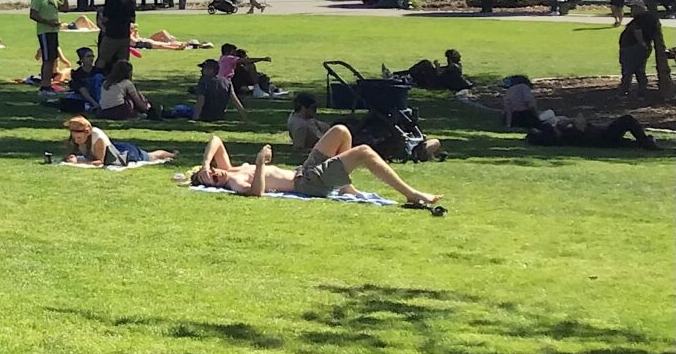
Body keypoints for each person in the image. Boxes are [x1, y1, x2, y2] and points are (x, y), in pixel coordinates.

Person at [186, 126, 442, 205]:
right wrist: (259, 163)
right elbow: (256, 192)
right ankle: (412, 194)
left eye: (213, 172)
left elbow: (216, 139)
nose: (216, 175)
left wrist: (205, 163)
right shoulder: (233, 181)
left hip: (304, 169)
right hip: (308, 183)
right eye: (212, 178)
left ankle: (345, 186)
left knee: (341, 132)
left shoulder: (226, 169)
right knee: (364, 152)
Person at [61, 115, 176, 167]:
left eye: (79, 138)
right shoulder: (76, 137)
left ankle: (173, 155)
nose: (76, 141)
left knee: (151, 157)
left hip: (125, 154)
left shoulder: (97, 137)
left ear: (87, 133)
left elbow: (99, 162)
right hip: (117, 148)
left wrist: (79, 162)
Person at [527, 112, 658, 150]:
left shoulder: (563, 135)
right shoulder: (566, 133)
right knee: (627, 119)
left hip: (601, 138)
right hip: (602, 138)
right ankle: (646, 143)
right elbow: (582, 125)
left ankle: (644, 142)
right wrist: (570, 119)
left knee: (628, 144)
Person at [29, 0, 63, 89]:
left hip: (54, 31)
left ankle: (49, 82)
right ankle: (45, 85)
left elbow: (65, 8)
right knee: (47, 59)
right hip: (45, 31)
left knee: (53, 58)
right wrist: (48, 22)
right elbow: (33, 14)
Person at [619, 6, 658, 97]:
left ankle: (624, 90)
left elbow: (638, 31)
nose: (631, 11)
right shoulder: (646, 19)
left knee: (629, 69)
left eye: (633, 9)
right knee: (639, 69)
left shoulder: (639, 21)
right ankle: (641, 90)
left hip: (632, 48)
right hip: (635, 48)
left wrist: (642, 43)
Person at [95, 0, 135, 72]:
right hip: (125, 35)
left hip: (111, 34)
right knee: (123, 62)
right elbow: (132, 19)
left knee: (102, 59)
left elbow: (106, 17)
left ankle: (96, 78)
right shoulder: (128, 0)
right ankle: (126, 79)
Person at [402, 49, 471, 93]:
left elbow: (439, 73)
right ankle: (409, 77)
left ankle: (407, 75)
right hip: (437, 82)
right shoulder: (453, 66)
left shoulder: (454, 66)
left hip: (436, 83)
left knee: (426, 63)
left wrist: (437, 65)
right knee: (423, 69)